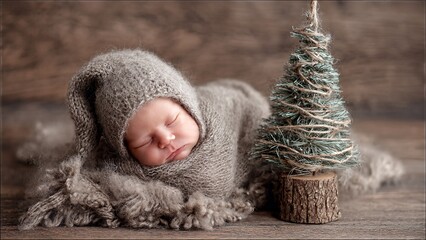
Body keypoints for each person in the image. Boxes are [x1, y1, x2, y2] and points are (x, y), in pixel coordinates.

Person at [19, 49, 404, 231]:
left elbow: (253, 116)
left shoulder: (222, 111)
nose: (166, 139)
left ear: (187, 106)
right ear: (127, 151)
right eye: (145, 142)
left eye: (171, 121)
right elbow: (98, 176)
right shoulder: (122, 167)